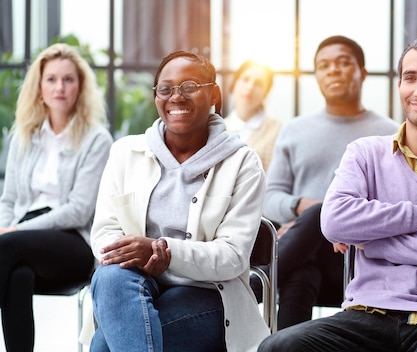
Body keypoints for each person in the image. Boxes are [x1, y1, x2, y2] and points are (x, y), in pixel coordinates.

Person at [259, 34, 417, 352]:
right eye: (411, 78)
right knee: (278, 347)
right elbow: (333, 222)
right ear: (399, 86)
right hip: (367, 312)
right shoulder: (364, 152)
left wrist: (371, 241)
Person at [88, 50, 269, 352]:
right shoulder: (125, 153)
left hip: (209, 294)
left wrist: (167, 253)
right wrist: (140, 256)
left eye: (189, 87)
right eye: (166, 88)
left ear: (214, 94)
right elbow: (105, 233)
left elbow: (233, 256)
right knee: (110, 278)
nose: (177, 97)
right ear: (156, 96)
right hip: (134, 284)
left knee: (107, 343)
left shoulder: (243, 162)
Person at [262, 35, 399, 329]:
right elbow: (269, 197)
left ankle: (253, 287)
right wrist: (300, 206)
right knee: (302, 269)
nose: (333, 70)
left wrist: (328, 213)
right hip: (304, 257)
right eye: (324, 66)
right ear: (317, 77)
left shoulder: (389, 133)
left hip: (359, 257)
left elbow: (396, 202)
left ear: (362, 72)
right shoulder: (295, 130)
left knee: (322, 214)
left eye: (343, 63)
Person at [0, 43, 113, 351]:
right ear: (39, 87)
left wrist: (13, 232)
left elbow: (78, 210)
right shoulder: (22, 136)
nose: (59, 87)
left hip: (72, 242)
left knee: (6, 248)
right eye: (51, 79)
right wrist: (9, 228)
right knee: (17, 276)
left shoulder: (97, 139)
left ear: (80, 87)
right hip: (18, 243)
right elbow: (8, 199)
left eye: (68, 79)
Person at [224, 60, 282, 171]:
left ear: (266, 93)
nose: (250, 87)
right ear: (234, 83)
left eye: (258, 84)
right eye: (245, 79)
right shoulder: (216, 130)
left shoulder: (278, 131)